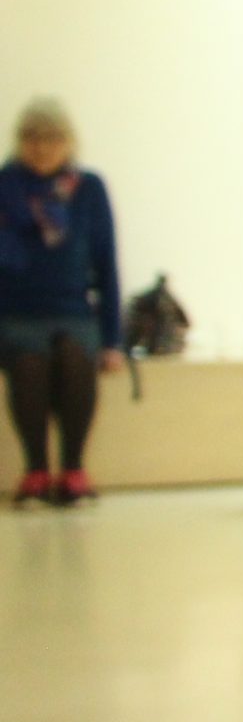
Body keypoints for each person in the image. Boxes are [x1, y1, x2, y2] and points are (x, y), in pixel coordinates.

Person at [0, 99, 124, 507]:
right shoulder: (5, 186)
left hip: (74, 312)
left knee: (75, 361)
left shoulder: (88, 189)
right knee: (29, 365)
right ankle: (36, 471)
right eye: (31, 138)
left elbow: (106, 264)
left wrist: (112, 341)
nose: (41, 147)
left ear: (69, 142)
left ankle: (73, 470)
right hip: (15, 314)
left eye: (52, 138)